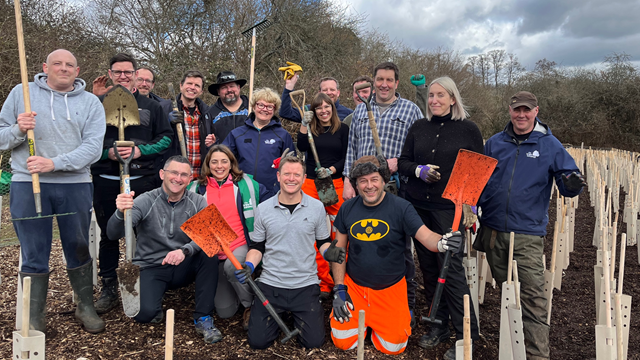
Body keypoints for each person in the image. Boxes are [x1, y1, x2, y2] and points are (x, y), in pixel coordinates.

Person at [0, 49, 106, 333]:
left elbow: (93, 149)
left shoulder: (91, 103)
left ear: (77, 70)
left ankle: (84, 306)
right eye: (57, 63)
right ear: (44, 66)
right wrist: (18, 130)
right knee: (34, 251)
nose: (63, 68)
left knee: (79, 245)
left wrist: (54, 163)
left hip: (75, 186)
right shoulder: (22, 93)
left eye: (69, 64)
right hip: (28, 183)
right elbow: (1, 138)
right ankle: (35, 317)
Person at [476, 91, 585, 360]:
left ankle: (537, 355)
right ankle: (512, 349)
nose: (521, 115)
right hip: (492, 231)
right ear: (510, 111)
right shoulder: (494, 143)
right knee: (506, 294)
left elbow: (567, 180)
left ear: (536, 111)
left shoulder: (549, 145)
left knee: (533, 298)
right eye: (516, 110)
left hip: (526, 235)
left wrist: (572, 182)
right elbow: (478, 179)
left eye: (527, 110)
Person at [330, 155, 463, 355]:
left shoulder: (401, 207)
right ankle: (364, 321)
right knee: (342, 342)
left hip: (390, 290)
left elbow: (427, 237)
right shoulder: (347, 208)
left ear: (384, 180)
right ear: (356, 184)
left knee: (394, 346)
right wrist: (339, 289)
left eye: (374, 179)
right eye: (363, 181)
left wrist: (443, 243)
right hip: (355, 289)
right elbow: (338, 252)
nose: (369, 186)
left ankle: (379, 322)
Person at [398, 76, 483, 359]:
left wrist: (470, 207)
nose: (434, 100)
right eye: (431, 95)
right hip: (418, 207)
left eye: (440, 95)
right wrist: (418, 170)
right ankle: (438, 325)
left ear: (453, 99)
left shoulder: (468, 130)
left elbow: (477, 170)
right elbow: (403, 162)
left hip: (450, 209)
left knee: (452, 268)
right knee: (430, 268)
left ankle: (466, 333)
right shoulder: (418, 127)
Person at [234, 156, 346, 349]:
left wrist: (330, 253)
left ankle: (292, 313)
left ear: (304, 179)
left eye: (297, 175)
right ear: (278, 176)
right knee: (258, 342)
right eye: (287, 174)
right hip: (271, 284)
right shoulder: (264, 209)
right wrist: (250, 265)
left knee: (313, 343)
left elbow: (323, 242)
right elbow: (257, 247)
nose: (291, 178)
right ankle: (279, 313)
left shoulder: (317, 207)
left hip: (305, 285)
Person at [106, 155, 222, 342]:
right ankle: (154, 303)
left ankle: (203, 317)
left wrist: (184, 251)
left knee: (210, 254)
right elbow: (113, 234)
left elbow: (213, 237)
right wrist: (120, 212)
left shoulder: (198, 201)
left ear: (190, 178)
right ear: (162, 174)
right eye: (174, 172)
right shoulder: (145, 201)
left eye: (184, 174)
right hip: (151, 266)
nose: (178, 178)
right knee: (144, 315)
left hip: (183, 265)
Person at [342, 61, 423, 324]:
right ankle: (360, 292)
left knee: (399, 244)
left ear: (397, 83)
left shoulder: (411, 110)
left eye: (389, 80)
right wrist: (346, 180)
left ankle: (406, 300)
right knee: (364, 238)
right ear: (373, 82)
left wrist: (398, 162)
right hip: (365, 186)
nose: (384, 84)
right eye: (380, 80)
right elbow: (352, 148)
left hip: (397, 187)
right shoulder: (360, 110)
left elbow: (418, 148)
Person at [92, 53, 173, 314]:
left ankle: (148, 287)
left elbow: (166, 139)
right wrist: (108, 154)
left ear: (136, 75)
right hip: (106, 179)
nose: (123, 76)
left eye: (128, 72)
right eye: (118, 72)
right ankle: (108, 287)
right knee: (109, 234)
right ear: (111, 73)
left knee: (146, 234)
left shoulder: (151, 107)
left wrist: (140, 152)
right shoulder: (97, 105)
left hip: (141, 180)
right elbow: (88, 145)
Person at [186, 145, 273, 329]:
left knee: (232, 267)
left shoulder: (245, 184)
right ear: (208, 165)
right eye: (214, 162)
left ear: (231, 163)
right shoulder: (196, 188)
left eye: (224, 161)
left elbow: (270, 201)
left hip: (239, 245)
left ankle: (251, 306)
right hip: (212, 252)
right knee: (225, 311)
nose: (219, 166)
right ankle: (237, 287)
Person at [296, 92, 350, 299]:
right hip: (311, 182)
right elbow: (301, 146)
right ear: (314, 111)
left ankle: (340, 280)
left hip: (333, 182)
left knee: (339, 231)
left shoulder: (343, 129)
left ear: (333, 108)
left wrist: (332, 170)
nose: (323, 111)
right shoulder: (310, 128)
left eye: (327, 106)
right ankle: (322, 281)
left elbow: (346, 156)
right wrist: (303, 124)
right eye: (319, 108)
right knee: (313, 232)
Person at [223, 87, 295, 193]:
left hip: (272, 191)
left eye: (270, 107)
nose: (265, 109)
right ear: (253, 106)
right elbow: (223, 158)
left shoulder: (282, 135)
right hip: (242, 189)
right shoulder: (237, 134)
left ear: (274, 110)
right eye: (261, 105)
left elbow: (292, 164)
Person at [166, 70, 212, 178]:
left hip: (200, 176)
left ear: (201, 91)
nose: (192, 87)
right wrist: (167, 122)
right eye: (189, 83)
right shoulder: (166, 108)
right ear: (181, 86)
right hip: (176, 175)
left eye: (197, 85)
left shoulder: (206, 113)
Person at [279, 76, 353, 122]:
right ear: (319, 93)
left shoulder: (348, 114)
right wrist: (289, 87)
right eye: (325, 90)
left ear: (338, 92)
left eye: (332, 90)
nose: (328, 93)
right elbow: (285, 113)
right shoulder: (309, 110)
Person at [204, 71, 250, 144]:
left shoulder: (253, 108)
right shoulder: (210, 113)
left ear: (238, 87)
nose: (229, 90)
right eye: (224, 87)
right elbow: (207, 143)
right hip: (223, 154)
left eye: (232, 86)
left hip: (249, 154)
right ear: (218, 92)